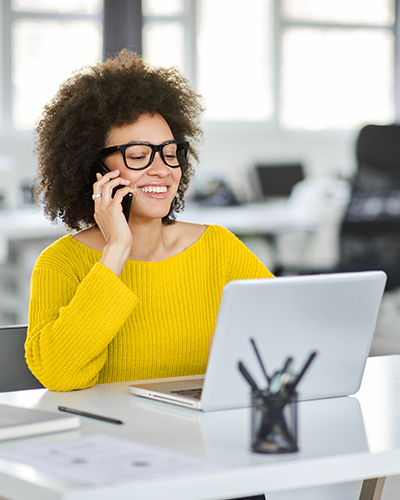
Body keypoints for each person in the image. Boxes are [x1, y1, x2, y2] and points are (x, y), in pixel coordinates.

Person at [26, 48, 272, 500]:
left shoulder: (218, 248)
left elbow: (286, 340)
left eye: (170, 153)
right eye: (139, 154)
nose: (161, 168)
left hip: (216, 459)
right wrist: (116, 250)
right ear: (94, 168)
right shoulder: (61, 263)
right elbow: (61, 372)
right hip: (118, 470)